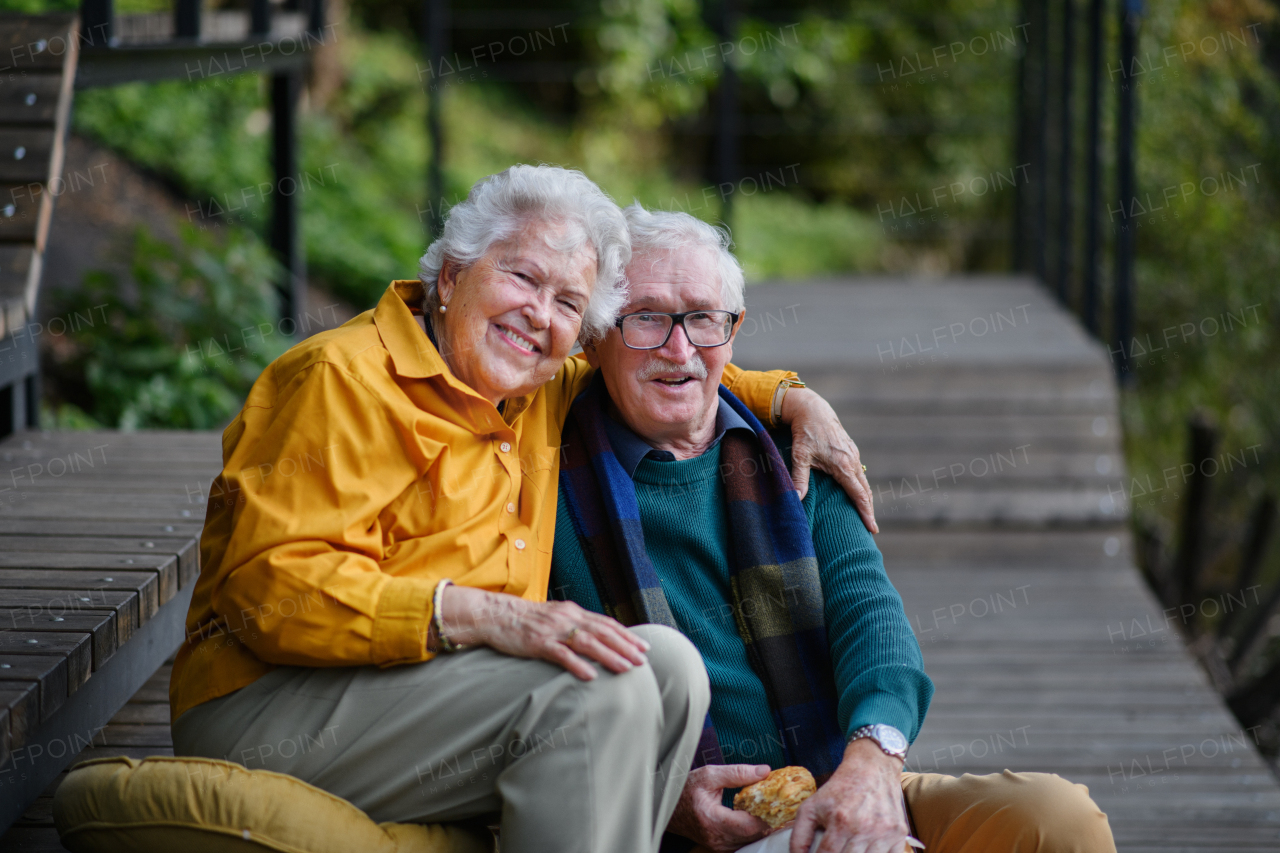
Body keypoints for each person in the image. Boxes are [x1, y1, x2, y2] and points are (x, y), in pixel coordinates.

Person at [170, 165, 874, 853]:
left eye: (569, 302)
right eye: (523, 277)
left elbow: (674, 361)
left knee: (667, 666)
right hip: (272, 700)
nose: (540, 314)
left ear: (585, 335)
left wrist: (789, 397)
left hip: (432, 692)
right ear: (451, 277)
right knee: (596, 694)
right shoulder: (340, 381)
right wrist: (488, 614)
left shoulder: (538, 384)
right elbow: (272, 591)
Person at [549, 204, 1119, 853]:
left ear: (731, 333)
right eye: (647, 317)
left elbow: (872, 619)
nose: (681, 348)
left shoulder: (793, 457)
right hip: (677, 822)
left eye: (704, 318)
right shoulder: (545, 478)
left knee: (1057, 818)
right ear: (595, 335)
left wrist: (870, 766)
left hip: (829, 777)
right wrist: (653, 793)